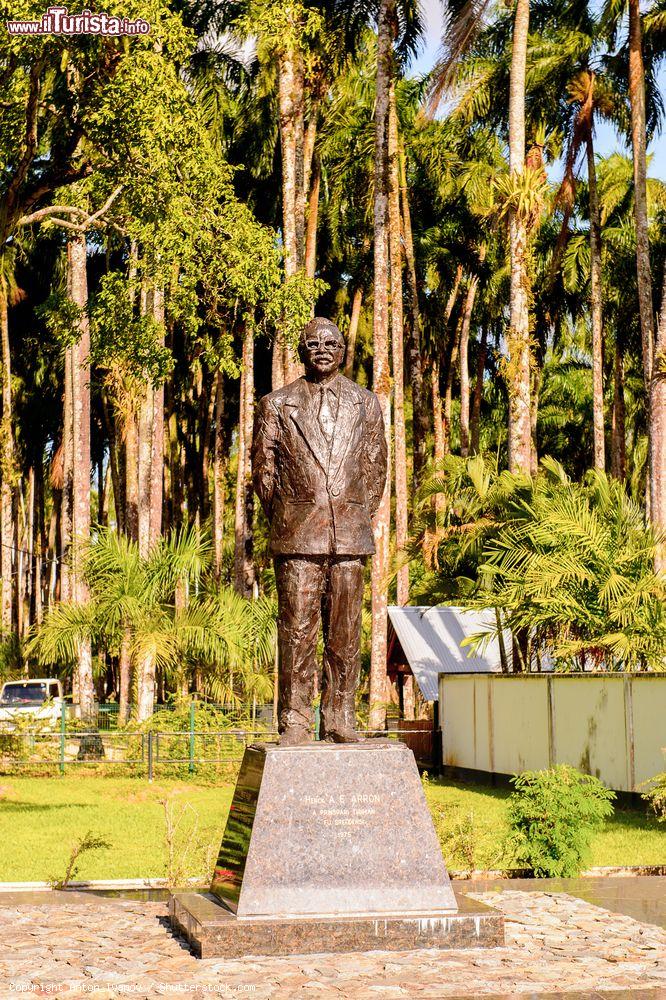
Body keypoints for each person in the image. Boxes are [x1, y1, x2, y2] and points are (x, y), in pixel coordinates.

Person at [252, 317, 388, 745]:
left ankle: (340, 717)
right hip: (297, 535)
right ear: (302, 351)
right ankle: (294, 719)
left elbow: (375, 467)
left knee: (346, 632)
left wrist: (352, 512)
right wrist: (296, 513)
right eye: (313, 344)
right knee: (297, 630)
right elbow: (264, 473)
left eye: (331, 343)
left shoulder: (366, 403)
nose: (323, 349)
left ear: (343, 349)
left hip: (349, 533)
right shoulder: (277, 404)